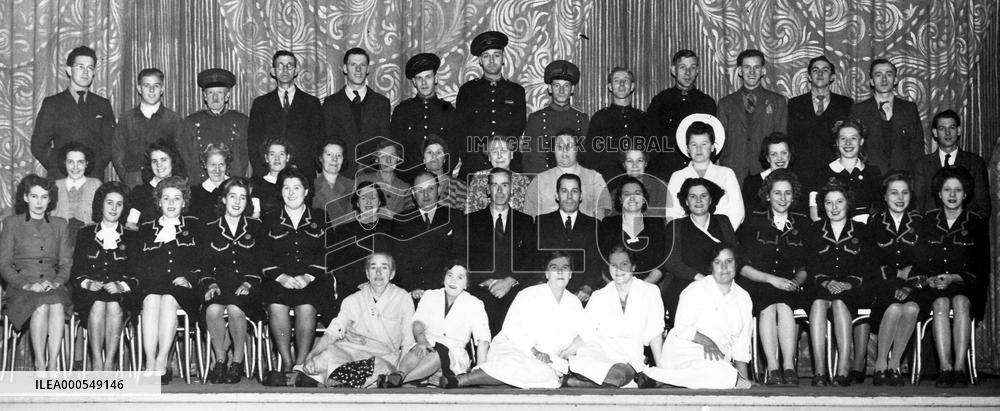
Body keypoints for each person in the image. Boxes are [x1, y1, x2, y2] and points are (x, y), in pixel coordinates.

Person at [441, 251, 586, 389]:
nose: (560, 272)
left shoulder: (575, 303)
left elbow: (577, 338)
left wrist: (564, 354)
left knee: (545, 374)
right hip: (514, 347)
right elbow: (511, 329)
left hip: (548, 359)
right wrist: (535, 352)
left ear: (571, 274)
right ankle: (461, 380)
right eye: (554, 268)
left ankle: (490, 381)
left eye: (565, 268)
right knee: (517, 365)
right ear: (547, 273)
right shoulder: (528, 294)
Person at [736, 169, 809, 385]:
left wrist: (796, 282)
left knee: (785, 305)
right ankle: (773, 367)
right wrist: (770, 279)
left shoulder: (802, 223)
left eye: (788, 193)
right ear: (768, 195)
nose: (783, 198)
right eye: (777, 193)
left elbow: (806, 267)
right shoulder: (752, 221)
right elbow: (742, 267)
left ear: (793, 197)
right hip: (759, 283)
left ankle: (788, 366)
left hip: (789, 285)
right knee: (768, 305)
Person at [644, 244, 753, 389]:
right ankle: (668, 378)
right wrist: (707, 341)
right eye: (717, 262)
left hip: (717, 359)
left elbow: (741, 345)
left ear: (737, 264)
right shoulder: (695, 290)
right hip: (685, 350)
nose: (724, 267)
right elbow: (682, 329)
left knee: (722, 372)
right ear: (711, 267)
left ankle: (658, 377)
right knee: (723, 374)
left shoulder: (744, 298)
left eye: (729, 261)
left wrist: (743, 380)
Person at [302, 253, 414, 388]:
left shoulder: (403, 298)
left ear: (392, 274)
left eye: (384, 268)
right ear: (367, 273)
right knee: (323, 358)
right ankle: (338, 377)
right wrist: (311, 356)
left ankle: (330, 378)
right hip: (352, 351)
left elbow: (409, 338)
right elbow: (334, 331)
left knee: (379, 367)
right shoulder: (353, 299)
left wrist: (402, 372)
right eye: (373, 268)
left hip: (384, 356)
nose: (378, 273)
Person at [260, 167, 331, 380]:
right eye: (286, 188)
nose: (291, 193)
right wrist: (281, 277)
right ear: (280, 191)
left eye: (297, 187)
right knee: (276, 306)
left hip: (311, 280)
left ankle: (301, 364)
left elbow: (328, 253)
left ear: (306, 191)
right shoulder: (270, 218)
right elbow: (262, 255)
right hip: (279, 280)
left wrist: (307, 277)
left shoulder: (320, 216)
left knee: (307, 307)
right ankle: (287, 362)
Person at [921, 166, 988, 388]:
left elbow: (981, 266)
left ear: (965, 193)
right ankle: (945, 368)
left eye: (957, 190)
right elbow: (920, 260)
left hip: (966, 285)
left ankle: (960, 368)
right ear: (939, 194)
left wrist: (955, 278)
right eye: (947, 190)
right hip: (935, 288)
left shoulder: (976, 222)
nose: (952, 195)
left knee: (960, 302)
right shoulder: (927, 221)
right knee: (940, 302)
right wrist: (930, 279)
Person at [130, 175, 201, 384]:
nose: (171, 203)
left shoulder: (194, 226)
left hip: (181, 287)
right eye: (166, 198)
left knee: (169, 300)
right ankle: (150, 361)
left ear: (184, 202)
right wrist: (148, 280)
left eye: (176, 198)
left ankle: (162, 361)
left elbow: (202, 260)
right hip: (152, 284)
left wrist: (189, 278)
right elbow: (137, 264)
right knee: (151, 299)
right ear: (158, 201)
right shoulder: (145, 229)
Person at [805, 181, 874, 387]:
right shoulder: (814, 230)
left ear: (848, 203)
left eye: (839, 202)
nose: (834, 207)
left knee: (839, 303)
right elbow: (810, 263)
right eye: (828, 203)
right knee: (818, 303)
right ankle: (820, 370)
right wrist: (826, 282)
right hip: (821, 287)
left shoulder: (862, 230)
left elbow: (867, 265)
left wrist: (847, 284)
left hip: (853, 290)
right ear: (822, 206)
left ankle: (843, 367)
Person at [0, 175, 73, 372]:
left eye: (44, 197)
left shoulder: (60, 224)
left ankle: (53, 364)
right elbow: (4, 263)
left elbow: (66, 262)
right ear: (25, 198)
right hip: (21, 288)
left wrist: (57, 282)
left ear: (50, 200)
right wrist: (26, 284)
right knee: (41, 306)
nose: (39, 202)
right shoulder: (11, 223)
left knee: (56, 305)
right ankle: (40, 364)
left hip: (52, 286)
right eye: (34, 196)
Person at [565, 246, 665, 387]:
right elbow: (585, 332)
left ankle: (585, 383)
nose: (618, 269)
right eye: (613, 265)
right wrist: (565, 354)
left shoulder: (650, 292)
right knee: (582, 361)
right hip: (600, 353)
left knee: (620, 374)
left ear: (633, 267)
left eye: (624, 264)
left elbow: (655, 333)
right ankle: (600, 381)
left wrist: (662, 370)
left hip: (630, 359)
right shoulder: (599, 295)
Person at [384, 262, 490, 387]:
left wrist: (479, 371)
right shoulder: (430, 295)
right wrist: (421, 340)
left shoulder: (475, 304)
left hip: (453, 354)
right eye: (450, 275)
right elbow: (418, 322)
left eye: (460, 277)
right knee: (418, 350)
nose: (453, 281)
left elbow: (483, 340)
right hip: (426, 345)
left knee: (439, 353)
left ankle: (398, 380)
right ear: (444, 278)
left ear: (466, 284)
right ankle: (401, 374)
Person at [199, 177, 263, 384]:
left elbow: (261, 263)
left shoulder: (255, 227)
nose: (237, 202)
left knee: (236, 309)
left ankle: (237, 361)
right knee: (213, 310)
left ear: (247, 201)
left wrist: (248, 283)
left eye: (242, 197)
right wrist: (211, 284)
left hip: (247, 286)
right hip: (220, 284)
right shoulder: (209, 228)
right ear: (224, 200)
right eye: (232, 196)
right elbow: (205, 265)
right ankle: (219, 359)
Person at [70, 182, 137, 371]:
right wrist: (87, 282)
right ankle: (97, 362)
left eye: (119, 204)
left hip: (121, 294)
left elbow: (137, 274)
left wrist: (122, 285)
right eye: (109, 203)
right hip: (89, 293)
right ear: (101, 205)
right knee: (98, 305)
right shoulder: (85, 233)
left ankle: (109, 363)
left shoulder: (132, 237)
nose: (114, 208)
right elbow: (76, 271)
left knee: (114, 305)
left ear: (124, 208)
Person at [867, 171, 925, 387]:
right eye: (894, 193)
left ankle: (895, 364)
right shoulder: (875, 223)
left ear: (911, 196)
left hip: (915, 287)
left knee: (910, 308)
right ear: (885, 196)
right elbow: (872, 262)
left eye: (904, 193)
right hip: (883, 286)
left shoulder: (920, 222)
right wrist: (895, 277)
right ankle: (881, 363)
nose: (899, 198)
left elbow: (926, 261)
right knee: (893, 308)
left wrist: (909, 286)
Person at [466, 167, 539, 335]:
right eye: (494, 185)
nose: (499, 191)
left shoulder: (526, 222)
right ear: (487, 189)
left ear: (511, 189)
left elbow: (531, 259)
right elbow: (465, 257)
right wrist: (489, 281)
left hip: (515, 289)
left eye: (505, 185)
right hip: (482, 289)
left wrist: (509, 280)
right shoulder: (471, 221)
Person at [31, 46, 116, 179]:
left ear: (94, 72)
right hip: (61, 178)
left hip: (92, 178)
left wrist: (94, 166)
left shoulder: (102, 104)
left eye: (90, 68)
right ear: (69, 70)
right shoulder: (52, 104)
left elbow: (110, 145)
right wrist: (60, 166)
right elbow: (38, 145)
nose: (85, 72)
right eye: (80, 67)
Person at [662, 177, 738, 324]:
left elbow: (734, 254)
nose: (698, 200)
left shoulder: (722, 222)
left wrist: (718, 281)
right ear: (685, 201)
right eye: (692, 196)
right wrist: (704, 280)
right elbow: (672, 262)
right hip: (686, 283)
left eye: (704, 196)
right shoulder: (675, 226)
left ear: (711, 200)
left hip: (721, 281)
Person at [456, 31, 527, 177]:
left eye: (496, 55)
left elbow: (518, 128)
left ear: (502, 58)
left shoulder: (516, 91)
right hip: (475, 164)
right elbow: (462, 131)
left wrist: (503, 156)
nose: (492, 60)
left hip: (508, 164)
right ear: (480, 61)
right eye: (486, 56)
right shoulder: (467, 91)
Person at [248, 50, 324, 177]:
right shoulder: (260, 104)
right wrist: (264, 170)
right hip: (269, 174)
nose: (285, 69)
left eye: (289, 65)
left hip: (302, 174)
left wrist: (304, 166)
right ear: (273, 71)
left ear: (296, 71)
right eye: (280, 65)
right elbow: (254, 141)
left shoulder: (311, 103)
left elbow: (317, 141)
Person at [390, 172, 466, 298]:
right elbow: (399, 261)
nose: (426, 195)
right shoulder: (401, 221)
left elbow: (459, 257)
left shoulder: (454, 217)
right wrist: (413, 287)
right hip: (411, 291)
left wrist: (439, 288)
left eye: (431, 188)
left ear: (439, 190)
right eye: (420, 190)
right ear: (413, 194)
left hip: (445, 289)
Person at [717, 49, 788, 180]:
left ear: (763, 71)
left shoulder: (777, 101)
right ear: (739, 71)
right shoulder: (725, 104)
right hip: (734, 172)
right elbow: (721, 142)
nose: (752, 72)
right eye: (747, 67)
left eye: (756, 67)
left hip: (765, 171)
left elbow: (781, 138)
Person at [112, 68, 190, 187]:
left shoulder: (173, 119)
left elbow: (183, 155)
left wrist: (174, 182)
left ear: (162, 89)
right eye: (146, 86)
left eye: (156, 86)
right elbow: (117, 153)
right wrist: (128, 178)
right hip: (134, 180)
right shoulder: (127, 119)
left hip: (166, 181)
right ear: (139, 89)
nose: (152, 90)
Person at [646, 49, 717, 178]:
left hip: (698, 170)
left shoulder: (706, 103)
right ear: (674, 70)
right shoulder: (660, 101)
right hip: (666, 172)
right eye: (682, 67)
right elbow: (651, 140)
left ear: (697, 71)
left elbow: (713, 142)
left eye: (692, 67)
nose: (687, 73)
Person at [322, 47, 391, 177]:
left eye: (362, 65)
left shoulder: (381, 103)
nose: (358, 69)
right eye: (353, 64)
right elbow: (328, 140)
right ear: (345, 69)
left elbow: (384, 141)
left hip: (373, 174)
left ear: (368, 69)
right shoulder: (331, 103)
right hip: (341, 174)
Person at [665, 117, 744, 230]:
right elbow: (672, 214)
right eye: (693, 144)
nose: (698, 149)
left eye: (704, 144)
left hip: (721, 238)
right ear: (687, 148)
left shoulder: (727, 174)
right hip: (688, 239)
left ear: (712, 147)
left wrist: (723, 236)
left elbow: (738, 212)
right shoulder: (677, 176)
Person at [786, 55, 853, 184]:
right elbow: (791, 139)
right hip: (802, 172)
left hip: (835, 171)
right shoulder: (795, 104)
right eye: (815, 70)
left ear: (832, 77)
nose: (820, 73)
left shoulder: (845, 104)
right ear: (809, 77)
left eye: (825, 70)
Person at [848, 59, 924, 173]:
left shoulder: (909, 109)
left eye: (889, 74)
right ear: (872, 81)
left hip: (902, 179)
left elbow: (917, 149)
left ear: (895, 80)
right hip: (870, 178)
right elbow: (854, 148)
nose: (884, 79)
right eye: (878, 75)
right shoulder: (858, 110)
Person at [535, 173, 602, 302]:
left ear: (581, 196)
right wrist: (544, 286)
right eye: (564, 191)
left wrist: (587, 287)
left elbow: (595, 261)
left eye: (574, 191)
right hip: (549, 289)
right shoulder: (542, 222)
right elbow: (538, 259)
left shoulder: (593, 225)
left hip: (582, 292)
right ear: (557, 195)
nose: (569, 197)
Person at [390, 53, 458, 180]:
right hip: (409, 180)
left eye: (428, 77)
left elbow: (453, 150)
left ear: (436, 79)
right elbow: (396, 149)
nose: (424, 82)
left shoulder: (448, 110)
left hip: (440, 179)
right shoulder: (402, 111)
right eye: (419, 78)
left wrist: (443, 176)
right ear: (414, 82)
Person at [326, 181, 394, 302]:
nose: (368, 201)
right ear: (357, 202)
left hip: (385, 287)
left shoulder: (391, 228)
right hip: (352, 288)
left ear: (379, 202)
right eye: (363, 198)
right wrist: (360, 285)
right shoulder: (343, 230)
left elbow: (396, 262)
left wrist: (377, 284)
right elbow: (338, 266)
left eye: (372, 197)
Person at [912, 110, 989, 214]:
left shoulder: (975, 163)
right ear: (935, 132)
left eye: (952, 128)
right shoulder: (922, 164)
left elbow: (982, 207)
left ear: (958, 130)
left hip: (964, 227)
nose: (947, 133)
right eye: (942, 128)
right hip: (930, 227)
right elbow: (918, 206)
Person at [525, 129, 613, 219]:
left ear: (577, 149)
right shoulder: (540, 180)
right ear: (553, 150)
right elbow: (530, 214)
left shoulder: (594, 178)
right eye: (559, 147)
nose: (564, 150)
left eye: (569, 146)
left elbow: (602, 209)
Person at [806, 119, 882, 223]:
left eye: (853, 138)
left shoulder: (873, 173)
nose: (848, 143)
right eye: (843, 138)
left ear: (861, 141)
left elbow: (880, 210)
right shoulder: (821, 173)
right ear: (837, 142)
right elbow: (815, 214)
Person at [583, 66, 650, 183]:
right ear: (610, 87)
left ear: (632, 86)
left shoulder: (643, 118)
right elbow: (591, 157)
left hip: (638, 183)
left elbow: (649, 154)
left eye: (626, 80)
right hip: (609, 182)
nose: (622, 84)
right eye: (616, 80)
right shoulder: (600, 118)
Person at [521, 60, 589, 175]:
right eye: (557, 85)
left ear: (572, 89)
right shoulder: (536, 119)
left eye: (566, 86)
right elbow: (530, 159)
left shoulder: (582, 119)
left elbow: (586, 159)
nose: (561, 91)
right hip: (545, 180)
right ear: (550, 88)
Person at [598, 176, 666, 285]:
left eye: (637, 193)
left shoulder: (656, 224)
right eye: (627, 194)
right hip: (614, 287)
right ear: (620, 200)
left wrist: (641, 287)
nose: (632, 198)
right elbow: (601, 261)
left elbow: (662, 263)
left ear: (644, 199)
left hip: (648, 287)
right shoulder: (607, 224)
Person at [184, 68, 250, 180]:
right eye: (210, 93)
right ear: (205, 96)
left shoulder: (241, 121)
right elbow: (186, 159)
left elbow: (244, 158)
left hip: (231, 186)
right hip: (200, 186)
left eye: (219, 92)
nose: (215, 98)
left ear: (227, 96)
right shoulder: (191, 122)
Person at [126, 139, 187, 229]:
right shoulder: (140, 193)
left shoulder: (184, 189)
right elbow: (130, 225)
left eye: (163, 160)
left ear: (173, 161)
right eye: (154, 161)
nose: (159, 165)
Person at [465, 135, 531, 213]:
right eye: (494, 152)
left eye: (503, 151)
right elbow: (470, 213)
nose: (499, 156)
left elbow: (530, 214)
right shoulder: (479, 178)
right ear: (489, 157)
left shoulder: (523, 181)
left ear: (511, 155)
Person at [741, 132, 799, 214]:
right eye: (774, 154)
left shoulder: (799, 182)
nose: (779, 158)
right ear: (767, 158)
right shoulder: (751, 184)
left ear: (789, 155)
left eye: (784, 153)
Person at [51, 142, 102, 230]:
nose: (75, 167)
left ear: (86, 163)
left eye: (80, 162)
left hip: (88, 236)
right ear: (64, 163)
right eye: (70, 162)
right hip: (60, 237)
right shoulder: (55, 186)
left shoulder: (96, 185)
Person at [356, 139, 414, 216]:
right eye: (383, 156)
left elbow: (410, 217)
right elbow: (352, 213)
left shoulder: (405, 188)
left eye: (392, 156)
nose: (388, 160)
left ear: (398, 158)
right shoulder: (362, 180)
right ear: (377, 159)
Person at [611, 149, 671, 218]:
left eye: (639, 161)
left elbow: (663, 215)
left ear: (645, 163)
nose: (634, 166)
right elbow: (612, 219)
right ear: (624, 165)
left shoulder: (660, 187)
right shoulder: (615, 193)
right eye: (630, 161)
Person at [312, 139, 355, 226]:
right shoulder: (310, 186)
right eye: (329, 154)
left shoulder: (353, 185)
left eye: (339, 155)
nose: (334, 159)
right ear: (320, 158)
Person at [419, 136, 467, 210]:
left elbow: (464, 218)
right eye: (429, 152)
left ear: (444, 159)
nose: (434, 156)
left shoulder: (459, 186)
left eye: (438, 152)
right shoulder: (415, 187)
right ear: (424, 159)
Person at [188, 144, 232, 222]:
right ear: (205, 165)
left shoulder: (238, 187)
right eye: (213, 165)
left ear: (226, 165)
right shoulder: (194, 193)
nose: (217, 170)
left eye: (221, 164)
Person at [251, 138, 291, 218]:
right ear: (266, 158)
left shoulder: (294, 183)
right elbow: (255, 216)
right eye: (272, 154)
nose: (277, 158)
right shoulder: (257, 185)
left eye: (281, 154)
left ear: (287, 158)